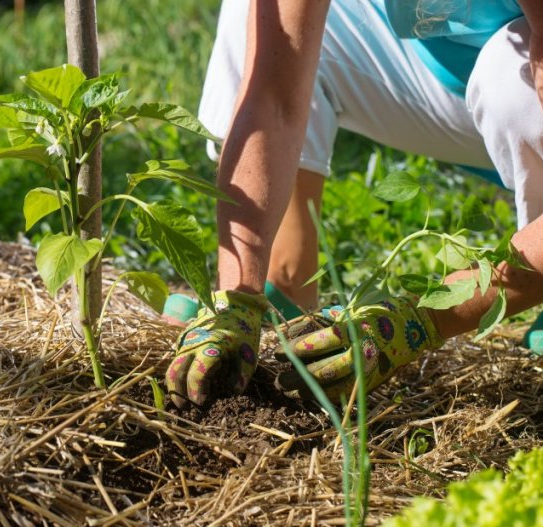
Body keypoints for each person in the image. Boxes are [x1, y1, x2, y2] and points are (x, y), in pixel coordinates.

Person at [165, 0, 543, 408]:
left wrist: (419, 320)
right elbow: (274, 95)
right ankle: (286, 282)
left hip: (518, 89)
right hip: (445, 72)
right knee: (261, 17)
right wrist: (236, 295)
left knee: (507, 75)